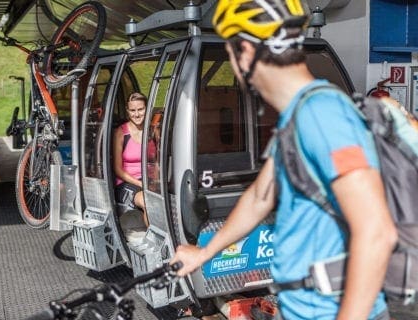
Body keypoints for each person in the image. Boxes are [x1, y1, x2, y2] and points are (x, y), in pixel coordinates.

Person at [171, 1, 398, 319]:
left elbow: (376, 232)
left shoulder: (324, 114)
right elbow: (260, 196)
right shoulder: (298, 118)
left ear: (246, 53)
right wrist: (204, 252)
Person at [113, 92, 149, 226]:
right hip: (127, 183)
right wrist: (142, 184)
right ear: (128, 111)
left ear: (147, 108)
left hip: (149, 180)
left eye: (140, 109)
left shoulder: (152, 130)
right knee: (149, 202)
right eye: (133, 110)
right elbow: (117, 170)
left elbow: (157, 161)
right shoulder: (121, 133)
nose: (137, 114)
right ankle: (154, 240)